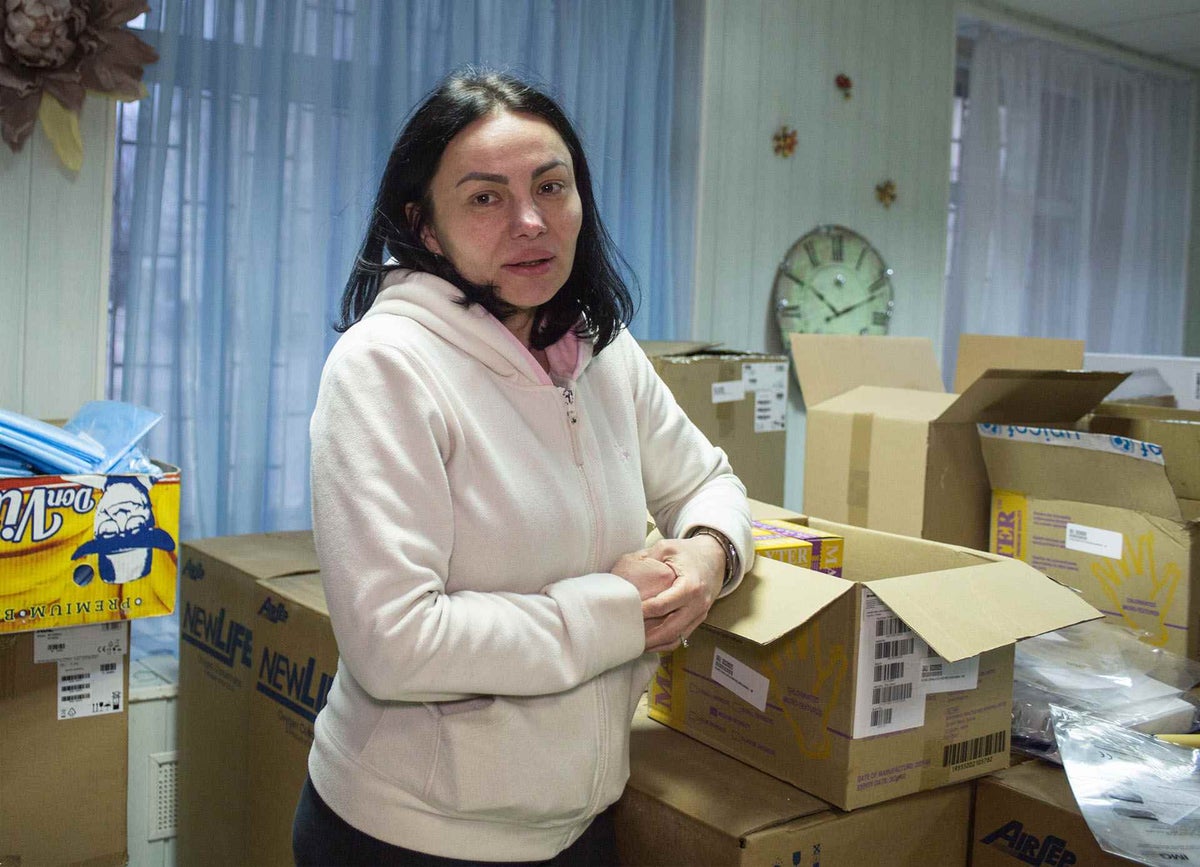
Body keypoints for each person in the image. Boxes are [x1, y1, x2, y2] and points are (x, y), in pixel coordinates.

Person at [294, 67, 753, 866]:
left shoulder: (601, 351)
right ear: (424, 225)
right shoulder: (385, 367)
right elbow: (395, 641)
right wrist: (618, 611)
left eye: (551, 186)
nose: (532, 221)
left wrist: (710, 554)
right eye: (486, 197)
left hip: (578, 822)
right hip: (411, 833)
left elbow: (708, 481)